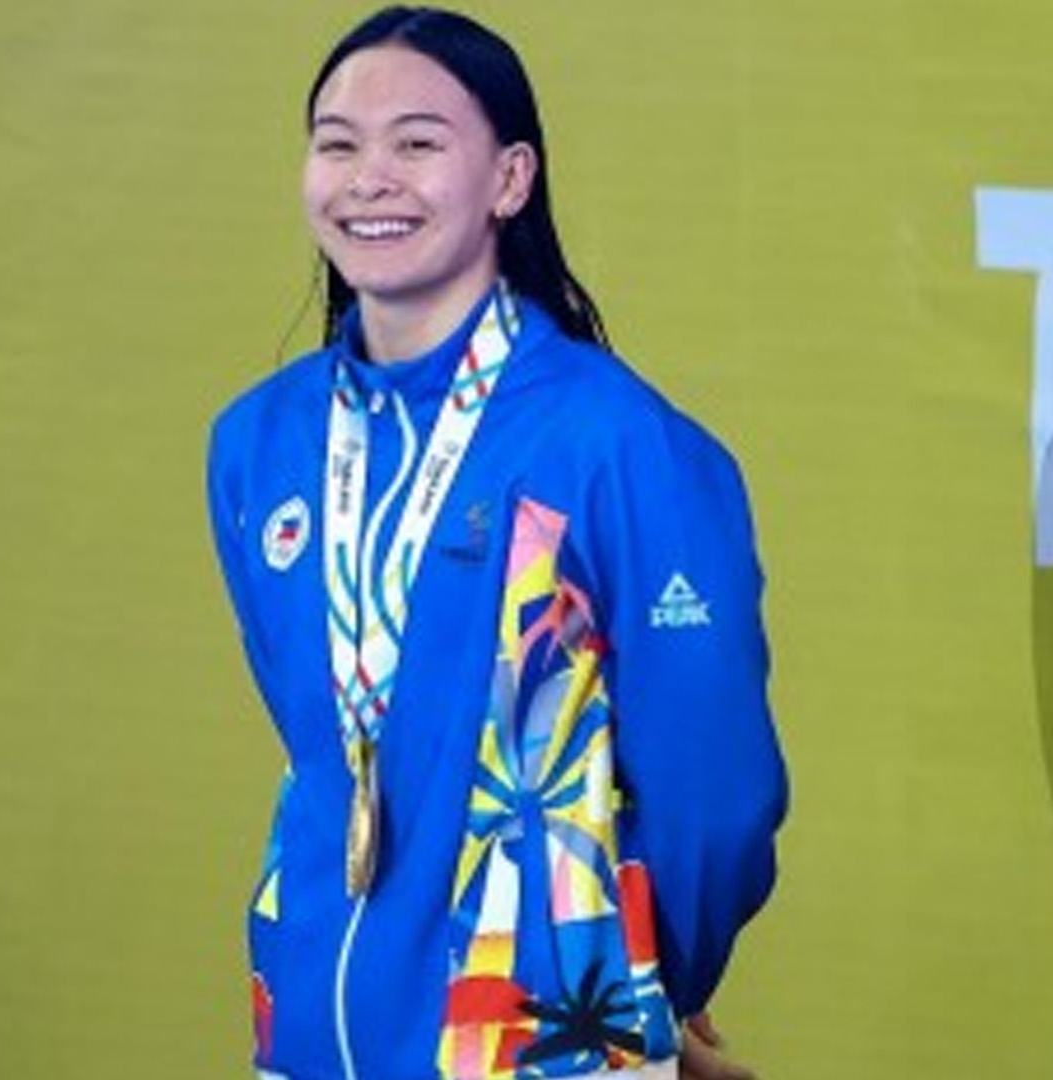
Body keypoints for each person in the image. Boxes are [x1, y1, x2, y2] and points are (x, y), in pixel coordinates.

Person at [206, 8, 787, 1079]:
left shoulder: (616, 446)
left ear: (510, 178)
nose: (369, 178)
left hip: (541, 1043)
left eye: (418, 142)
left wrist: (643, 987)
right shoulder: (259, 444)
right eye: (337, 143)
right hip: (310, 1031)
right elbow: (323, 734)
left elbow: (717, 796)